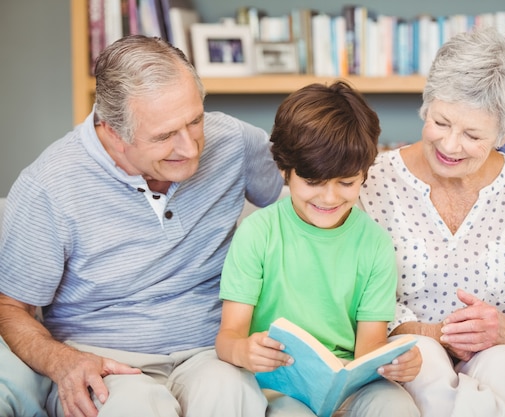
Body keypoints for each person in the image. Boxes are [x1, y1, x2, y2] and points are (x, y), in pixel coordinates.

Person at [0, 35, 284, 417]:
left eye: (195, 120)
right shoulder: (49, 186)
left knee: (229, 391)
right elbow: (10, 307)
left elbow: (314, 188)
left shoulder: (231, 140)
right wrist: (62, 362)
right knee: (135, 407)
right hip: (105, 361)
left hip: (210, 351)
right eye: (165, 136)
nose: (190, 147)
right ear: (112, 133)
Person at [360, 27, 505, 417]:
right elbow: (350, 302)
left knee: (503, 363)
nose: (450, 145)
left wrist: (503, 331)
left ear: (503, 135)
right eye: (441, 123)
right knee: (425, 358)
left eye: (473, 134)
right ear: (426, 107)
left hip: (498, 358)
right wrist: (436, 335)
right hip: (409, 359)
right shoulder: (372, 183)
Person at [215, 81, 422, 417]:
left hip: (348, 384)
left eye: (346, 183)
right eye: (313, 182)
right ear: (285, 170)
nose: (329, 198)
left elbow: (369, 350)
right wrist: (243, 351)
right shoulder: (258, 233)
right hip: (277, 383)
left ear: (364, 175)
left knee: (397, 406)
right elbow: (228, 337)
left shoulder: (374, 243)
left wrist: (397, 364)